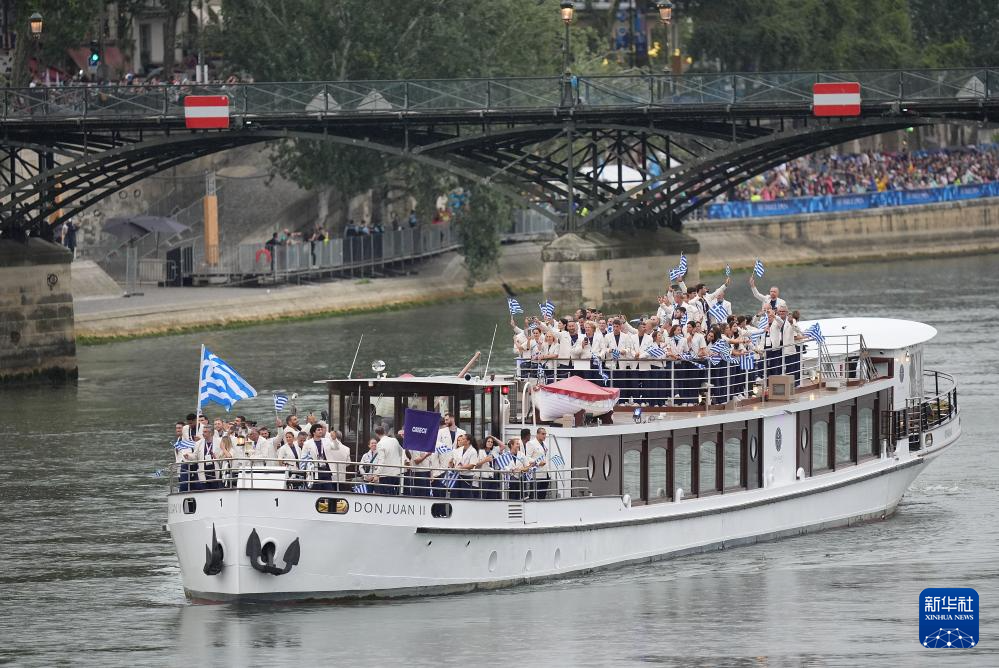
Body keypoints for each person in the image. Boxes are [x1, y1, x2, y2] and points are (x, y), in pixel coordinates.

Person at [375, 426, 405, 495]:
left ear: (377, 434)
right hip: (396, 472)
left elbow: (381, 460)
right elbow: (401, 452)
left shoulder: (380, 444)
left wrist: (377, 474)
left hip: (385, 474)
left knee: (386, 495)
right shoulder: (394, 440)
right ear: (384, 432)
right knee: (395, 493)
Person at [449, 434, 479, 498]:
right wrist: (451, 463)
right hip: (457, 475)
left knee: (466, 494)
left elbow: (472, 465)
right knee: (455, 494)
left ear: (468, 441)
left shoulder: (473, 451)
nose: (461, 441)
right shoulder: (459, 449)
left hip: (466, 476)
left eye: (463, 439)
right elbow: (455, 461)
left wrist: (461, 467)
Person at [524, 427, 550, 499]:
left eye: (545, 434)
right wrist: (538, 463)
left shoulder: (545, 444)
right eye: (542, 434)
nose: (544, 436)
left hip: (545, 471)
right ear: (537, 434)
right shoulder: (531, 443)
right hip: (536, 473)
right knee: (534, 494)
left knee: (543, 494)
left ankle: (541, 508)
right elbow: (527, 458)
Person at [195, 425, 219, 490]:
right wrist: (188, 456)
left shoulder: (219, 442)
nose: (203, 433)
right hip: (204, 469)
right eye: (203, 431)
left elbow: (222, 455)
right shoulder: (198, 443)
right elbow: (195, 456)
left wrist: (216, 457)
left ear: (210, 433)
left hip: (215, 469)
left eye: (205, 432)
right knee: (204, 489)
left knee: (215, 489)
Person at [173, 421, 195, 492]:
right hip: (179, 470)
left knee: (186, 488)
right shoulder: (178, 440)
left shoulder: (188, 440)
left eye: (180, 428)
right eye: (176, 428)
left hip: (187, 469)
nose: (178, 430)